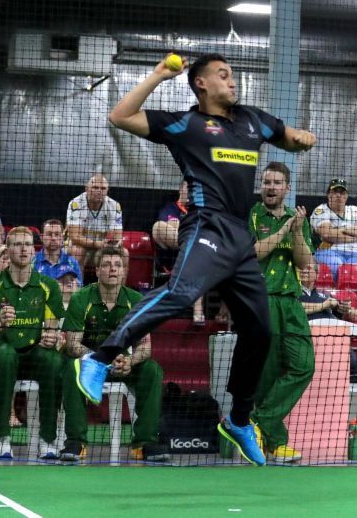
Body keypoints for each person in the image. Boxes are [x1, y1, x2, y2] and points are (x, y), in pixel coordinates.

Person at [77, 53, 316, 467]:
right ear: (201, 84)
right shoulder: (185, 125)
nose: (232, 80)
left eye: (233, 74)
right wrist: (158, 75)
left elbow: (288, 136)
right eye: (223, 75)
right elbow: (120, 116)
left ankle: (239, 420)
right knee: (180, 292)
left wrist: (302, 138)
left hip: (241, 236)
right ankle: (99, 358)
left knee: (259, 332)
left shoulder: (252, 120)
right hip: (206, 226)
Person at [61, 247, 165, 462]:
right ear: (97, 270)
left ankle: (144, 443)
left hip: (121, 363)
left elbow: (145, 347)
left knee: (152, 370)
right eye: (106, 265)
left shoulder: (136, 300)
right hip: (89, 362)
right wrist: (100, 360)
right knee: (71, 367)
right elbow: (72, 345)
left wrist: (130, 360)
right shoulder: (81, 298)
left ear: (124, 271)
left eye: (117, 266)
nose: (112, 270)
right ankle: (76, 442)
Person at [0, 227, 64, 459]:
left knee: (53, 360)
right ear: (8, 248)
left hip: (34, 353)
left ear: (34, 251)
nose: (23, 249)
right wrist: (1, 326)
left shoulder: (49, 287)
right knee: (4, 354)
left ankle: (48, 440)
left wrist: (52, 338)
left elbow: (53, 330)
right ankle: (1, 438)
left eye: (28, 245)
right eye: (17, 244)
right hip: (2, 353)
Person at [247, 162, 315, 463]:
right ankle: (275, 443)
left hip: (290, 300)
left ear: (287, 187)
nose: (271, 187)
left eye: (277, 183)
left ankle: (258, 421)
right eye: (266, 182)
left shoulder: (297, 219)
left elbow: (304, 262)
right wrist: (284, 230)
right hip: (261, 298)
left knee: (304, 364)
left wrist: (297, 231)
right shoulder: (252, 214)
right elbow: (253, 252)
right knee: (267, 371)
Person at [151, 181, 206, 324]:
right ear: (180, 189)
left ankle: (198, 308)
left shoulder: (201, 211)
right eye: (188, 188)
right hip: (173, 259)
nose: (191, 193)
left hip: (196, 261)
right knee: (158, 227)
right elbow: (169, 228)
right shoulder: (171, 208)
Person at [310, 179, 357, 282]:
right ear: (328, 194)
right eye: (335, 192)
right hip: (329, 252)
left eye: (342, 192)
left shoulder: (354, 210)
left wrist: (339, 230)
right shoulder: (321, 210)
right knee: (336, 268)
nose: (339, 195)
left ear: (346, 196)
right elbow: (326, 234)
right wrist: (355, 234)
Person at [66, 173, 125, 268]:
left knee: (124, 253)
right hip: (80, 246)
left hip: (102, 248)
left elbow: (117, 236)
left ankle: (118, 283)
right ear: (86, 188)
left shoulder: (114, 206)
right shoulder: (75, 203)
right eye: (95, 187)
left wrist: (115, 244)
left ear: (107, 191)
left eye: (103, 188)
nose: (99, 191)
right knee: (77, 251)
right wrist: (95, 244)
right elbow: (75, 237)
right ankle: (77, 283)